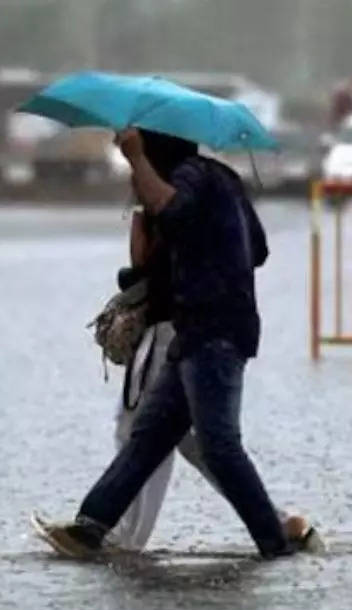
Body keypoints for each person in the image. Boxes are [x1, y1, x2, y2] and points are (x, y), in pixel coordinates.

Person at [40, 128, 309, 560]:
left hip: (215, 331)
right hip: (196, 330)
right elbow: (256, 249)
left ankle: (275, 538)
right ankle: (90, 527)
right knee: (148, 436)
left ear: (155, 148)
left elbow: (173, 208)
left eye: (142, 147)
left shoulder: (190, 178)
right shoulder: (221, 178)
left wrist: (136, 161)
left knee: (219, 445)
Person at [105, 207, 321, 552]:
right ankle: (278, 521)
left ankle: (124, 535)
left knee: (144, 429)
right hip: (190, 328)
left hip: (172, 330)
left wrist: (138, 219)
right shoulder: (203, 199)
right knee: (187, 439)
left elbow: (146, 265)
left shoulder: (168, 199)